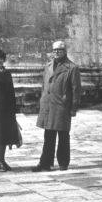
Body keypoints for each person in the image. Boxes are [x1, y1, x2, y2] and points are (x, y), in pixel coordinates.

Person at [32, 40, 81, 172]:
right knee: (48, 135)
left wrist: (74, 107)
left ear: (65, 51)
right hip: (48, 105)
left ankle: (63, 162)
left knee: (63, 135)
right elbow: (44, 85)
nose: (57, 52)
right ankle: (45, 163)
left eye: (60, 50)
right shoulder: (48, 66)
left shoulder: (72, 68)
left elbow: (76, 89)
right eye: (55, 50)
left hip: (62, 105)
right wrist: (42, 101)